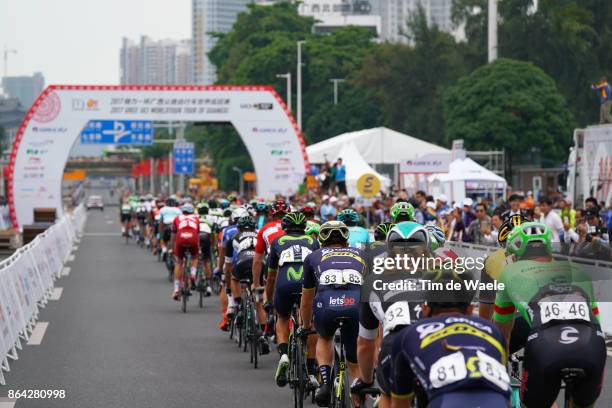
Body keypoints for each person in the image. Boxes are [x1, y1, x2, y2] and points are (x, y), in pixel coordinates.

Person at [494, 222, 605, 408]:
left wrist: (499, 369)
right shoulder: (578, 270)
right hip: (592, 345)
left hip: (545, 349)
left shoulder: (509, 273)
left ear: (516, 254)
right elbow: (597, 321)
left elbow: (501, 334)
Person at [390, 269, 511, 408]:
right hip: (496, 400)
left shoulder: (406, 335)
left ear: (425, 309)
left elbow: (400, 403)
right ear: (470, 310)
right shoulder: (492, 331)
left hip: (447, 400)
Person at [352, 222, 430, 408]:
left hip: (395, 344)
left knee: (387, 394)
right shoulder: (444, 276)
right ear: (426, 249)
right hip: (433, 342)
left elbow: (365, 344)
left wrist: (367, 380)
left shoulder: (372, 283)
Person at [300, 221, 366, 406]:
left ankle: (325, 385)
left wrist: (306, 326)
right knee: (354, 361)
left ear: (322, 241)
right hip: (355, 305)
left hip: (326, 304)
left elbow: (306, 299)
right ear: (346, 241)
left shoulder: (314, 256)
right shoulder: (361, 254)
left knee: (324, 337)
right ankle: (359, 397)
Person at [266, 212, 319, 388]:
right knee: (311, 323)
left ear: (284, 228)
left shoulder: (277, 242)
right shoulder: (313, 241)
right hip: (306, 284)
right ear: (304, 227)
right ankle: (311, 372)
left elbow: (271, 277)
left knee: (282, 316)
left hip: (284, 284)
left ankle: (283, 354)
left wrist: (268, 299)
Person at [251, 200, 288, 293]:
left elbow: (257, 261)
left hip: (272, 263)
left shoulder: (265, 228)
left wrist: (255, 284)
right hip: (297, 265)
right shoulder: (298, 229)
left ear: (271, 215)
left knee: (265, 296)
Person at [170, 203, 200, 300]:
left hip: (181, 238)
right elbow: (197, 234)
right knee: (195, 257)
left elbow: (173, 236)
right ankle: (193, 274)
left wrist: (172, 247)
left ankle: (176, 290)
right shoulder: (196, 218)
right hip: (193, 238)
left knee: (178, 261)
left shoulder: (177, 218)